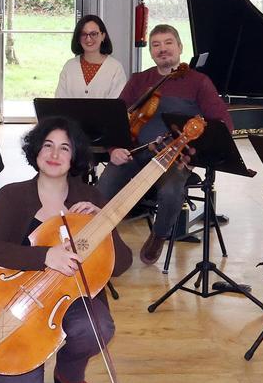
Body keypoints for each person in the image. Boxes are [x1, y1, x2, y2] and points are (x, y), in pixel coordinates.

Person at [0, 116, 132, 383]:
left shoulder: (89, 196)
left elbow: (123, 263)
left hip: (72, 297)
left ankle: (68, 372)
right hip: (20, 298)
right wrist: (45, 256)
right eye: (47, 145)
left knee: (97, 326)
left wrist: (103, 223)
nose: (54, 155)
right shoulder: (11, 195)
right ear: (36, 150)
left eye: (64, 148)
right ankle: (26, 357)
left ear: (74, 156)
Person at [97, 24, 232, 265]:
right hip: (136, 153)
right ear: (150, 52)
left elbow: (223, 123)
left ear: (180, 47)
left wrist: (194, 152)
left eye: (168, 43)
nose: (162, 49)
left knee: (171, 191)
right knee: (103, 188)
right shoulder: (140, 80)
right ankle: (100, 240)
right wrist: (113, 149)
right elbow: (116, 119)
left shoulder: (198, 82)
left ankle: (159, 236)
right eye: (156, 45)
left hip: (176, 157)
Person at [55, 14, 127, 99]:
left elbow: (116, 105)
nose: (88, 39)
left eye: (93, 34)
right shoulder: (69, 66)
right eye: (83, 34)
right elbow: (59, 102)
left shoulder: (115, 68)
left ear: (103, 36)